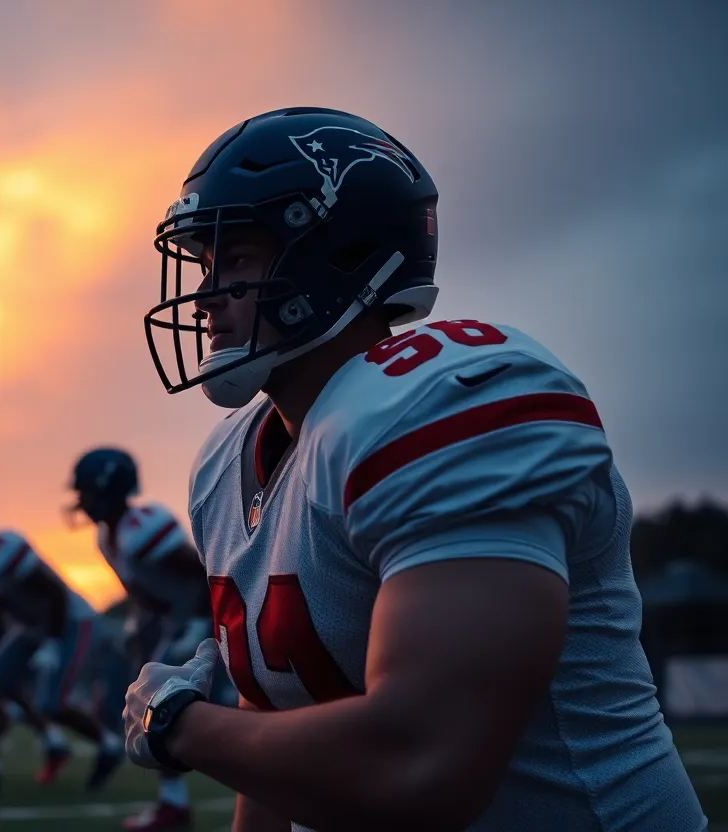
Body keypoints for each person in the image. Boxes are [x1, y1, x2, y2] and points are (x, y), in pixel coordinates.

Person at [123, 106, 707, 831]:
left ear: (337, 254)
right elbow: (278, 734)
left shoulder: (453, 401)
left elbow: (423, 765)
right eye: (205, 264)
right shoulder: (225, 465)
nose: (208, 294)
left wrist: (180, 725)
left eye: (236, 260)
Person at [69, 447, 230, 831]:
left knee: (225, 705)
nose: (80, 501)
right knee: (155, 707)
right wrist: (140, 626)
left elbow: (200, 573)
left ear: (108, 489)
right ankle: (173, 804)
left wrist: (197, 622)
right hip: (175, 623)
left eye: (87, 491)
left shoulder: (142, 527)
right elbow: (148, 593)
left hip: (211, 619)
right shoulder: (108, 537)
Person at [0, 500, 124, 794]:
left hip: (71, 621)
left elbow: (54, 594)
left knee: (51, 703)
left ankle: (110, 745)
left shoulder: (3, 550)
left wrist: (51, 642)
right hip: (30, 627)